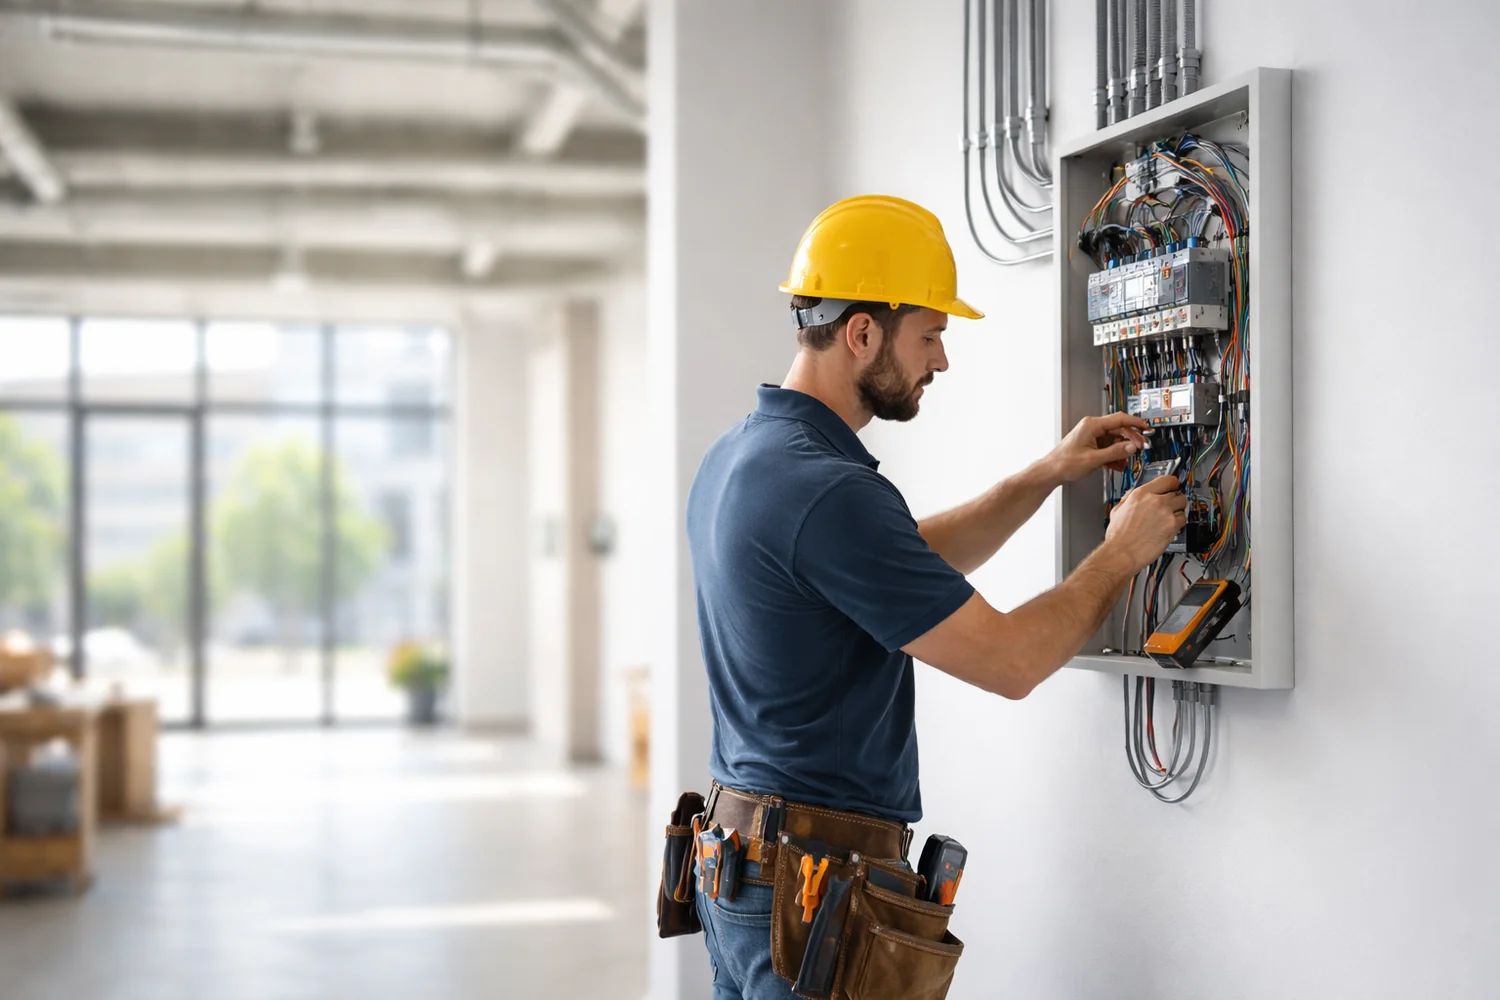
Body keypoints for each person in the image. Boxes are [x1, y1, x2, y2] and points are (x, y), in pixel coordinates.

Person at [682, 195, 1185, 999]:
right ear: (861, 332)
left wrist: (1043, 476)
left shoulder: (743, 458)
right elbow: (1014, 661)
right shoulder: (828, 490)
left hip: (744, 874)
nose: (941, 361)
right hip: (811, 894)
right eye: (930, 334)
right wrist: (1118, 556)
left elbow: (895, 563)